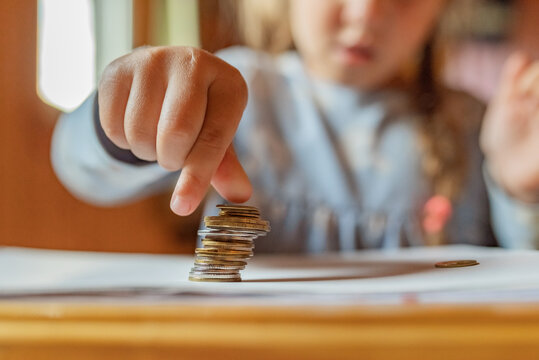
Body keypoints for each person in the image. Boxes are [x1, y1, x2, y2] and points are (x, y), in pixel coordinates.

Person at [51, 0, 539, 252]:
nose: (365, 13)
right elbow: (80, 171)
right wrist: (122, 118)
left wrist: (520, 190)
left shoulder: (475, 125)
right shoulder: (232, 91)